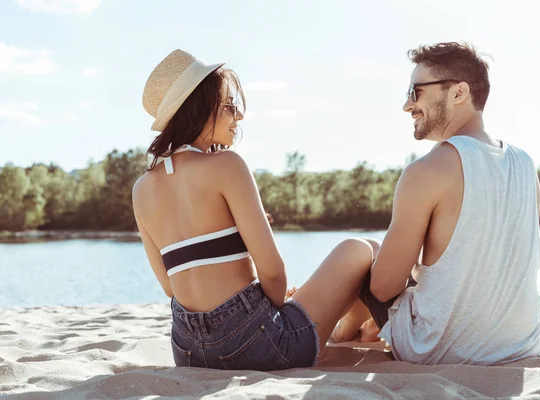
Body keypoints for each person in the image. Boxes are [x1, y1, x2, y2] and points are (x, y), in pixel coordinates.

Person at [132, 49, 376, 371]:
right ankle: (348, 330)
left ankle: (346, 330)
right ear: (202, 107)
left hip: (188, 350)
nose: (240, 117)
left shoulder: (142, 189)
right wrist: (274, 305)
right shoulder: (226, 166)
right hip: (252, 341)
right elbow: (273, 273)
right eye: (230, 106)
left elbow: (169, 287)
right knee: (360, 249)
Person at [332, 42, 540, 365]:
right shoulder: (526, 164)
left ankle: (341, 333)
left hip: (443, 351)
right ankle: (359, 330)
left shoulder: (428, 170)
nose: (407, 106)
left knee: (367, 261)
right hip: (523, 346)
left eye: (415, 92)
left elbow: (383, 287)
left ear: (459, 93)